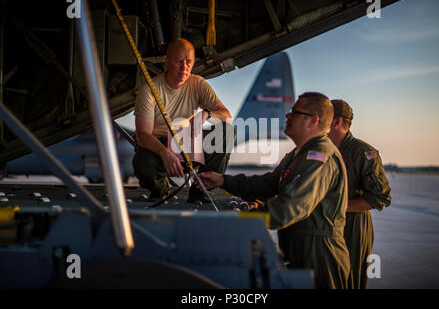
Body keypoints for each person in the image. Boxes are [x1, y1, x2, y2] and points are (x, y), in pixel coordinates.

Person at [197, 92, 350, 289]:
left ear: (313, 120)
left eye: (294, 112)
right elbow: (268, 184)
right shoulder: (297, 154)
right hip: (301, 250)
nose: (287, 116)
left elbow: (289, 209)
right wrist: (222, 180)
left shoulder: (319, 157)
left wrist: (244, 218)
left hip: (320, 258)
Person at [133, 38, 233, 201]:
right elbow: (143, 134)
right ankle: (161, 191)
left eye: (188, 62)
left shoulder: (197, 83)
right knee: (142, 162)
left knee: (226, 131)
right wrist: (164, 152)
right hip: (159, 149)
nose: (184, 67)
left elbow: (227, 116)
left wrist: (206, 114)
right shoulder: (149, 90)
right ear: (167, 62)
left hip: (188, 146)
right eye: (178, 61)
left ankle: (200, 191)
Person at [328, 99, 391, 289]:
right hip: (330, 226)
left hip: (353, 227)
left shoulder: (363, 152)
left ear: (336, 121)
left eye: (323, 117)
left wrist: (337, 206)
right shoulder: (324, 150)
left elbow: (381, 197)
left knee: (350, 279)